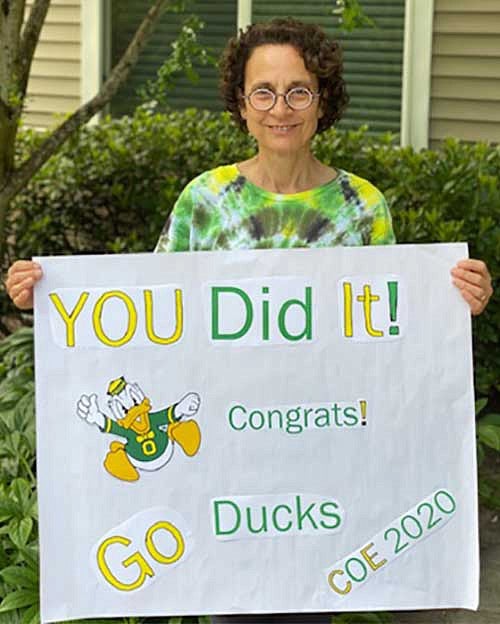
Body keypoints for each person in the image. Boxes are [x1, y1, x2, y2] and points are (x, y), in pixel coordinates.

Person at [4, 16, 493, 624]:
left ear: (323, 100)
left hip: (326, 456)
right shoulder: (204, 202)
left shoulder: (363, 207)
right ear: (241, 102)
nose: (279, 108)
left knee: (310, 607)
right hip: (223, 458)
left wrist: (453, 303)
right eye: (263, 91)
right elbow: (147, 323)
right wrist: (50, 302)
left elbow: (391, 338)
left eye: (298, 91)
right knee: (232, 609)